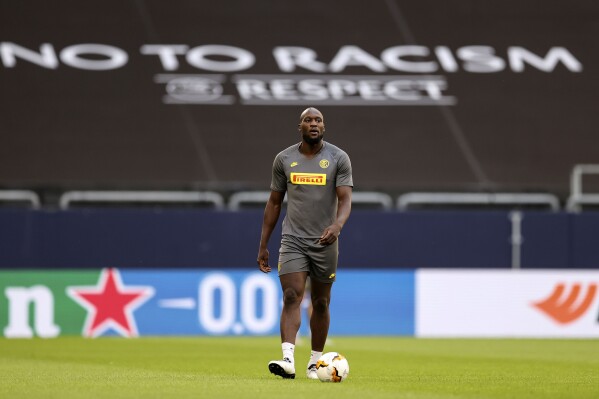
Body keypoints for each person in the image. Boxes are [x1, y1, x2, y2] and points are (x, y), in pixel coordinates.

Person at [257, 107, 353, 379]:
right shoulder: (284, 159)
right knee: (291, 296)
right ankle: (288, 359)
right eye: (308, 120)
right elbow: (274, 202)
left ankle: (315, 363)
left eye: (318, 120)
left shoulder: (338, 158)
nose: (314, 124)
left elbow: (345, 199)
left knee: (321, 302)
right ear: (299, 127)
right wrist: (263, 243)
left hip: (325, 241)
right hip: (293, 240)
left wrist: (337, 225)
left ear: (324, 126)